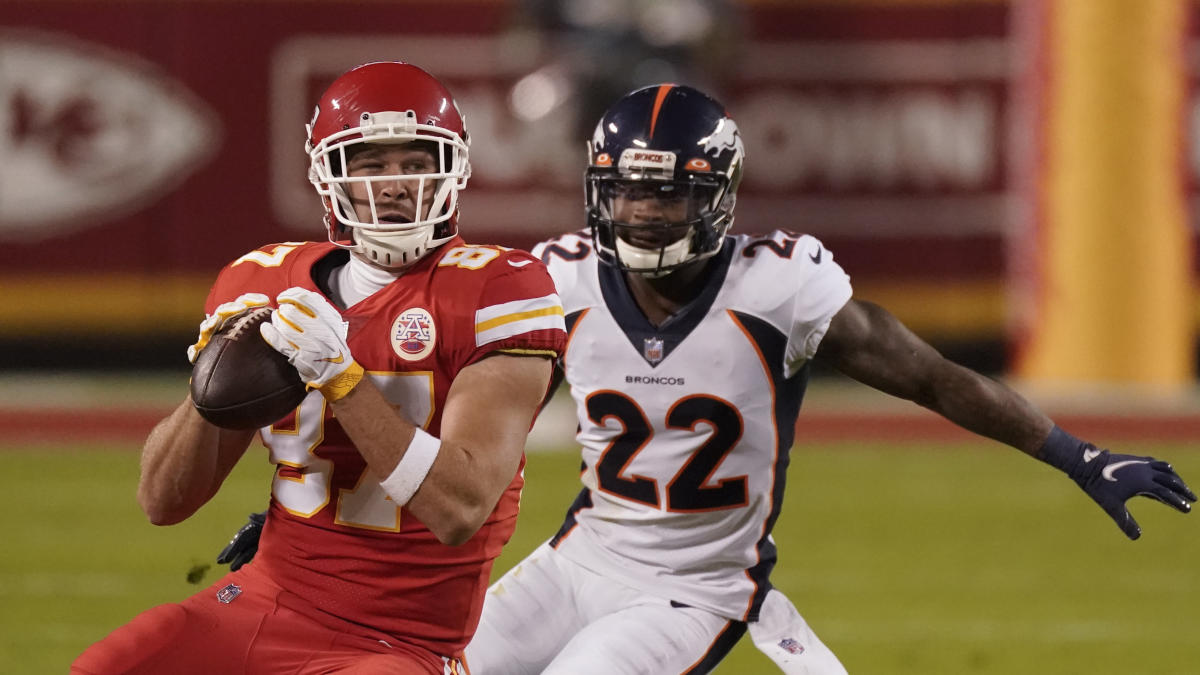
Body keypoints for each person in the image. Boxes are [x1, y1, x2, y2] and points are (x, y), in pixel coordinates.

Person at [214, 84, 1197, 674]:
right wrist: (320, 516)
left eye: (663, 190)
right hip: (581, 560)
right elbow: (454, 423)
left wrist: (1078, 454)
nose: (641, 212)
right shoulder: (552, 282)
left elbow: (935, 379)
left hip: (699, 588)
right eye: (625, 190)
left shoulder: (781, 288)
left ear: (715, 192)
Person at [71, 61, 567, 675]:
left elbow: (459, 510)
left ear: (454, 169)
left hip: (399, 641)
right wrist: (212, 385)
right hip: (265, 601)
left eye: (416, 163)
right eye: (371, 165)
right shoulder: (260, 282)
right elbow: (163, 502)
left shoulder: (498, 287)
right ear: (329, 174)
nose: (395, 186)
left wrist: (342, 378)